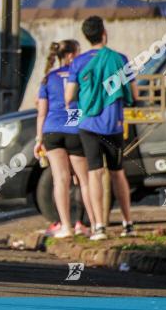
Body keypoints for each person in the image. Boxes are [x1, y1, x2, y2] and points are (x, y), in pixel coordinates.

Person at [65, 16, 137, 241]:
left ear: (86, 37)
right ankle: (128, 224)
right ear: (104, 33)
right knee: (118, 173)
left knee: (94, 174)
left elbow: (69, 97)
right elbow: (133, 95)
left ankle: (99, 227)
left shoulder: (79, 63)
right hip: (113, 124)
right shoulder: (119, 59)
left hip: (88, 125)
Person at [33, 40, 95, 239]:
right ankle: (90, 225)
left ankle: (66, 227)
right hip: (74, 129)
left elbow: (42, 113)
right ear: (70, 56)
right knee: (84, 181)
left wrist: (39, 139)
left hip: (52, 131)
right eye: (78, 53)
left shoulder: (47, 78)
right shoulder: (80, 75)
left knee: (60, 180)